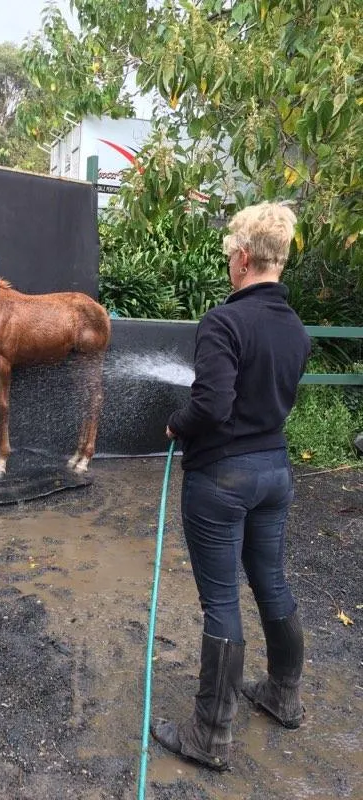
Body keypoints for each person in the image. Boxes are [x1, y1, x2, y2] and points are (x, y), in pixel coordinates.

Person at [150, 201, 311, 771]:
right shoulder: (296, 328)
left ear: (242, 258)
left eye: (228, 258)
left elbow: (213, 404)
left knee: (220, 600)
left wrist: (176, 424)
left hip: (222, 479)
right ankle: (284, 695)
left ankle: (210, 736)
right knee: (270, 582)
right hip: (275, 473)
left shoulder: (224, 321)